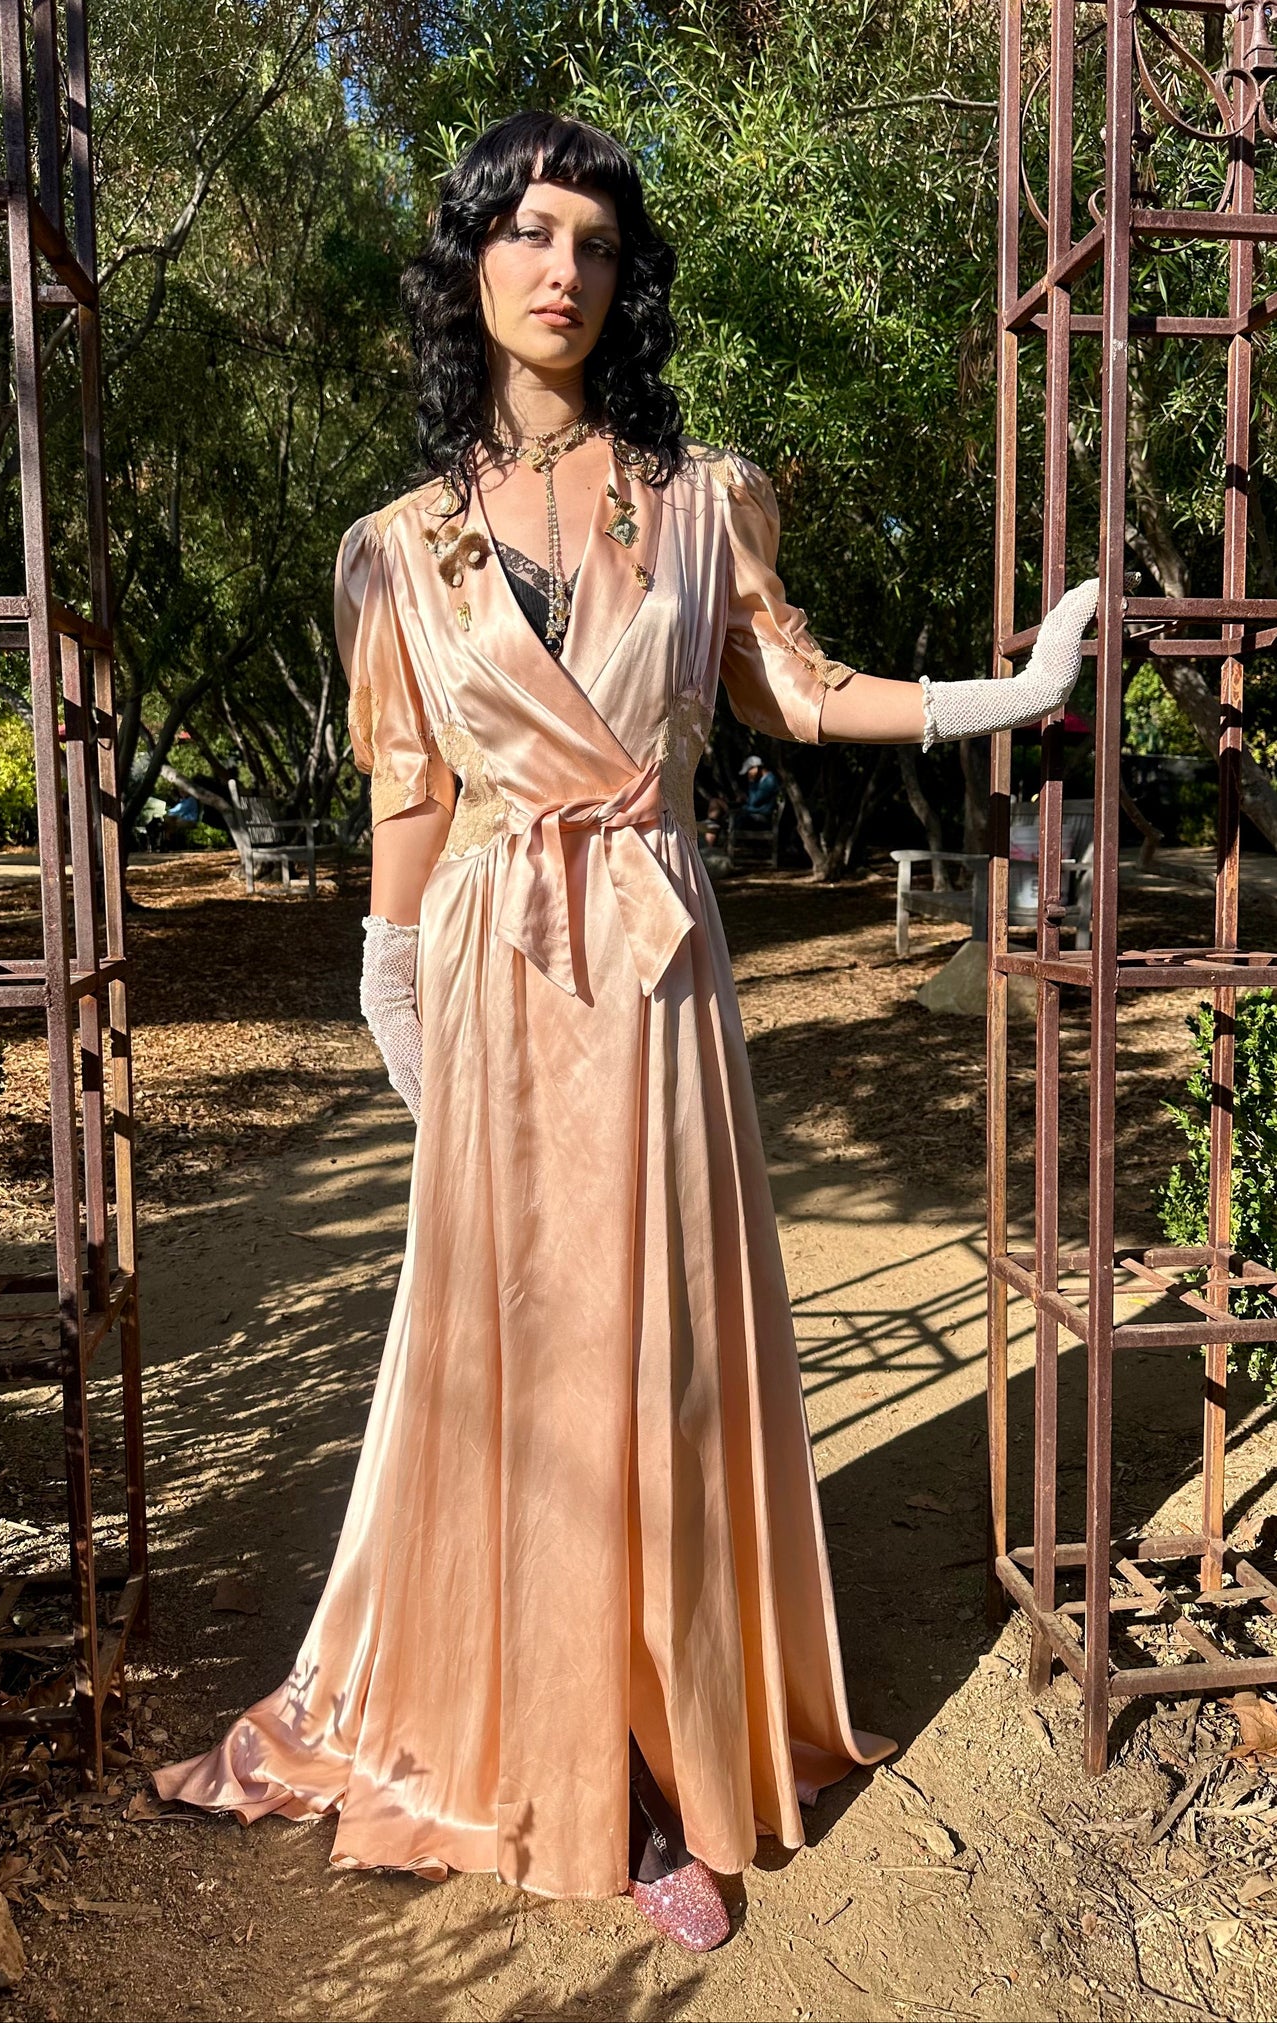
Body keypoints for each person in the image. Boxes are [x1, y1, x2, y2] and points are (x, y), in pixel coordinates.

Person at [155, 110, 1096, 1951]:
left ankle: (662, 1770)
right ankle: (529, 1736)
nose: (560, 267)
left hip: (658, 985)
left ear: (621, 277)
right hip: (500, 992)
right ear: (472, 268)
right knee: (512, 1378)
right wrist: (391, 986)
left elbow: (802, 692)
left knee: (662, 1361)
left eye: (590, 238)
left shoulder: (698, 497)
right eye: (525, 232)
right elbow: (410, 807)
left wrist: (1017, 687)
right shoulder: (394, 550)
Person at [733, 753, 778, 828]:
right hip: (757, 814)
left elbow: (754, 802)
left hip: (762, 817)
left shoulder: (769, 781)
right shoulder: (763, 781)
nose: (748, 774)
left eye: (749, 771)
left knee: (739, 819)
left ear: (755, 768)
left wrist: (751, 782)